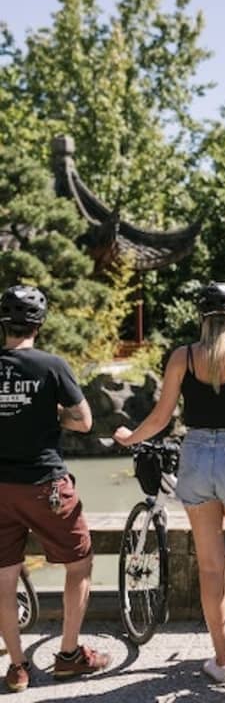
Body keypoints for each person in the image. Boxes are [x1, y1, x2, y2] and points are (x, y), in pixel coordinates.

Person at [113, 282, 225, 683]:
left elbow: (160, 418)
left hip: (195, 458)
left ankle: (220, 660)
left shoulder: (183, 357)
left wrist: (130, 437)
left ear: (202, 318)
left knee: (212, 569)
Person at [0, 285, 110, 693]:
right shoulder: (51, 365)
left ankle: (17, 667)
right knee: (79, 564)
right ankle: (68, 655)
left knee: (3, 579)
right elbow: (83, 421)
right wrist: (49, 413)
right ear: (39, 324)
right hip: (45, 484)